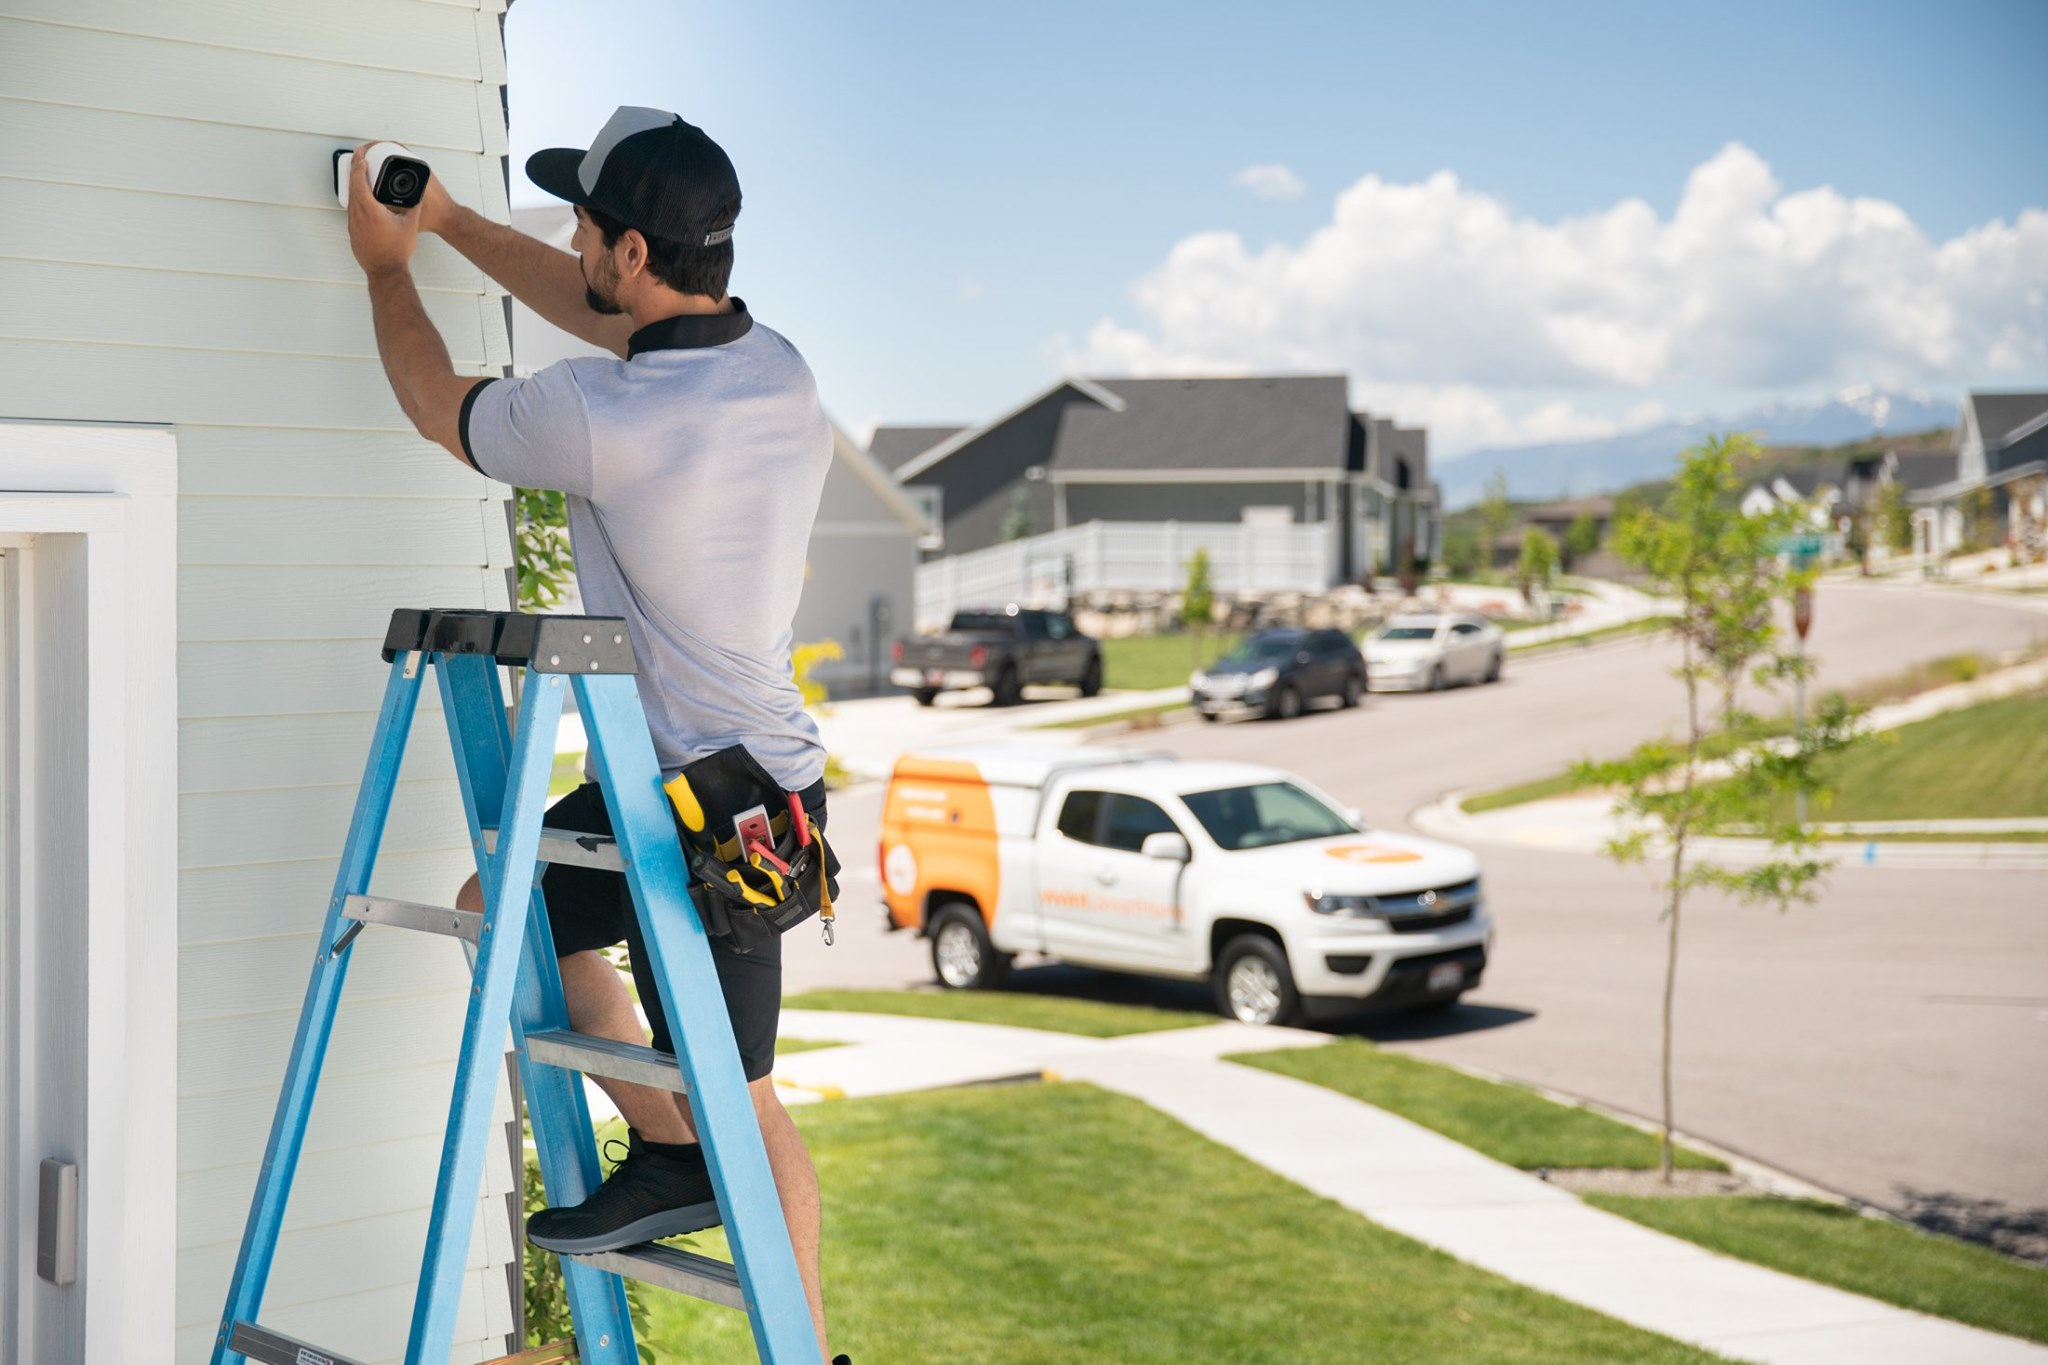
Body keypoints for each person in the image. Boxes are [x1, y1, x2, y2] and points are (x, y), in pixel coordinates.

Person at [343, 106, 843, 1361]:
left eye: (581, 223)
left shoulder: (597, 417)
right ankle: (669, 1156)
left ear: (627, 251)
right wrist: (449, 220)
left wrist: (389, 269)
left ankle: (807, 1344)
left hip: (731, 816)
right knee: (496, 906)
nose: (568, 240)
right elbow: (610, 318)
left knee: (750, 1102)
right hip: (674, 787)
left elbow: (430, 400)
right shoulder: (776, 369)